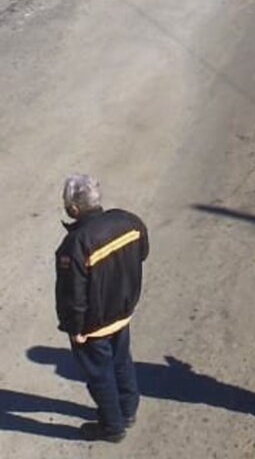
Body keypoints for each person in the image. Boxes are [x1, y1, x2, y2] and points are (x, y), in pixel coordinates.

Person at [55, 174, 149, 443]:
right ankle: (128, 410)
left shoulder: (75, 244)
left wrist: (75, 329)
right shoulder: (128, 221)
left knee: (99, 374)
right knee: (122, 361)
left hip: (93, 325)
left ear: (73, 209)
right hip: (122, 312)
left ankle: (112, 426)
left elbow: (72, 295)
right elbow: (142, 252)